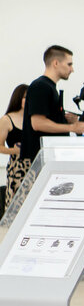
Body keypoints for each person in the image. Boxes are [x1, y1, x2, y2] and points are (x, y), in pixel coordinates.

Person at [13, 46, 84, 204]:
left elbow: (45, 119)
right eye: (69, 64)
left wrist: (64, 120)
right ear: (56, 63)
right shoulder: (41, 86)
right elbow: (38, 123)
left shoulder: (49, 88)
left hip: (48, 158)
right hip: (39, 159)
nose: (72, 69)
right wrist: (72, 128)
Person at [2, 83, 27, 215]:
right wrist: (14, 151)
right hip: (17, 168)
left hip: (34, 167)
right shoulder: (7, 119)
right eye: (25, 97)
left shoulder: (33, 119)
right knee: (16, 207)